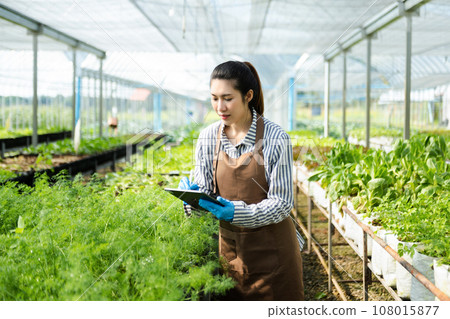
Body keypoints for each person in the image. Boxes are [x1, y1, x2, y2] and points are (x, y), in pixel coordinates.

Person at [179, 61, 305, 301]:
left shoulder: (275, 137)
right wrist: (192, 202)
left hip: (273, 255)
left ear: (248, 95)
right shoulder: (207, 137)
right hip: (229, 254)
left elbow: (281, 203)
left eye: (227, 98)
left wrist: (235, 212)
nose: (220, 107)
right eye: (214, 98)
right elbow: (205, 195)